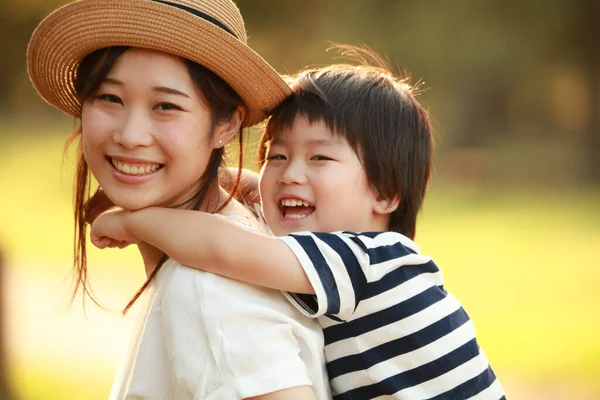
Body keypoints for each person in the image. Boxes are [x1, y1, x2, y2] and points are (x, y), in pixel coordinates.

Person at [91, 46, 506, 400]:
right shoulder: (356, 263)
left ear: (384, 193)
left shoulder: (366, 263)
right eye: (277, 155)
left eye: (319, 158)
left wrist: (134, 222)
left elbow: (223, 246)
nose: (289, 175)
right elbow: (258, 193)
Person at [26, 1, 332, 399]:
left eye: (166, 106)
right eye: (110, 98)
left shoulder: (208, 288)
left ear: (226, 124)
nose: (131, 135)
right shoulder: (244, 233)